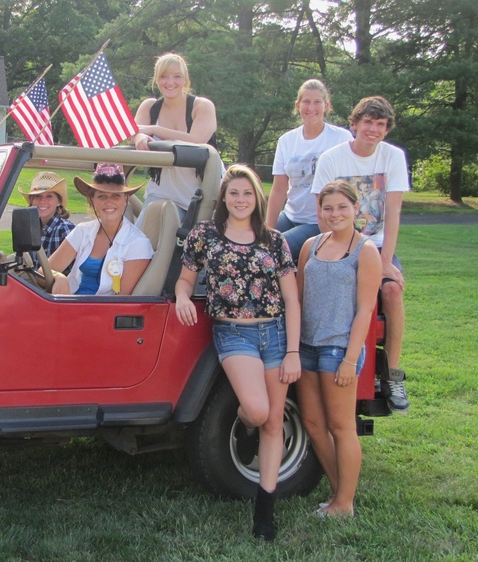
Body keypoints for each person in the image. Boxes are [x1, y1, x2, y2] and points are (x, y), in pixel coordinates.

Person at [174, 164, 301, 541]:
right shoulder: (205, 234)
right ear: (224, 197)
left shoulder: (274, 240)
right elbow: (185, 278)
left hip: (275, 332)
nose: (241, 200)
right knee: (258, 411)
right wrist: (182, 295)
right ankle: (245, 426)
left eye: (248, 194)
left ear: (257, 198)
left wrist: (293, 351)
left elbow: (291, 299)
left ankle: (265, 510)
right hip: (234, 334)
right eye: (234, 193)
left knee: (274, 422)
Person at [312, 96, 410, 414]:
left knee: (393, 290)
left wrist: (384, 261)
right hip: (337, 236)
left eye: (380, 124)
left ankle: (392, 374)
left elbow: (393, 212)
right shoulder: (332, 157)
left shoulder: (393, 157)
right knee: (283, 255)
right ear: (354, 124)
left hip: (377, 243)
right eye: (368, 122)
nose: (373, 129)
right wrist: (336, 253)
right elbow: (322, 212)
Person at [296, 180, 381, 517]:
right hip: (306, 347)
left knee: (341, 426)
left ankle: (344, 503)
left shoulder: (365, 250)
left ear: (355, 209)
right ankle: (338, 494)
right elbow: (299, 299)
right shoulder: (310, 246)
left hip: (338, 349)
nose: (335, 214)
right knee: (314, 424)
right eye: (328, 208)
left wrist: (349, 359)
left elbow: (365, 310)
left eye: (342, 207)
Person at [266, 79, 353, 261]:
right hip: (291, 215)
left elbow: (349, 187)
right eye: (306, 102)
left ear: (326, 105)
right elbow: (279, 189)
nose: (311, 108)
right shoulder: (286, 140)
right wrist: (268, 227)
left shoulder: (341, 138)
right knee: (254, 242)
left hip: (318, 221)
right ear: (298, 105)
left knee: (277, 248)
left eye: (317, 102)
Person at [131, 52, 218, 223]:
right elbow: (134, 131)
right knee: (140, 242)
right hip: (162, 191)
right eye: (164, 76)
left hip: (203, 195)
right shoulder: (149, 106)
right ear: (156, 80)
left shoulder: (201, 105)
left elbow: (196, 141)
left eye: (176, 76)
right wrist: (139, 136)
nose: (170, 82)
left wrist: (155, 129)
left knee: (198, 246)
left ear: (185, 79)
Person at [48, 163, 153, 296]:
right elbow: (43, 272)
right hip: (70, 304)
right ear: (92, 200)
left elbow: (121, 300)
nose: (109, 202)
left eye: (116, 196)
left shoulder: (138, 243)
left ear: (125, 200)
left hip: (104, 314)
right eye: (102, 196)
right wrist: (58, 277)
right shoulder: (82, 231)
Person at [18, 171, 75, 274]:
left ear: (58, 202)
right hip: (33, 285)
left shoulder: (66, 230)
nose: (42, 201)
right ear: (31, 201)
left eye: (49, 196)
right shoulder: (29, 228)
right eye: (38, 196)